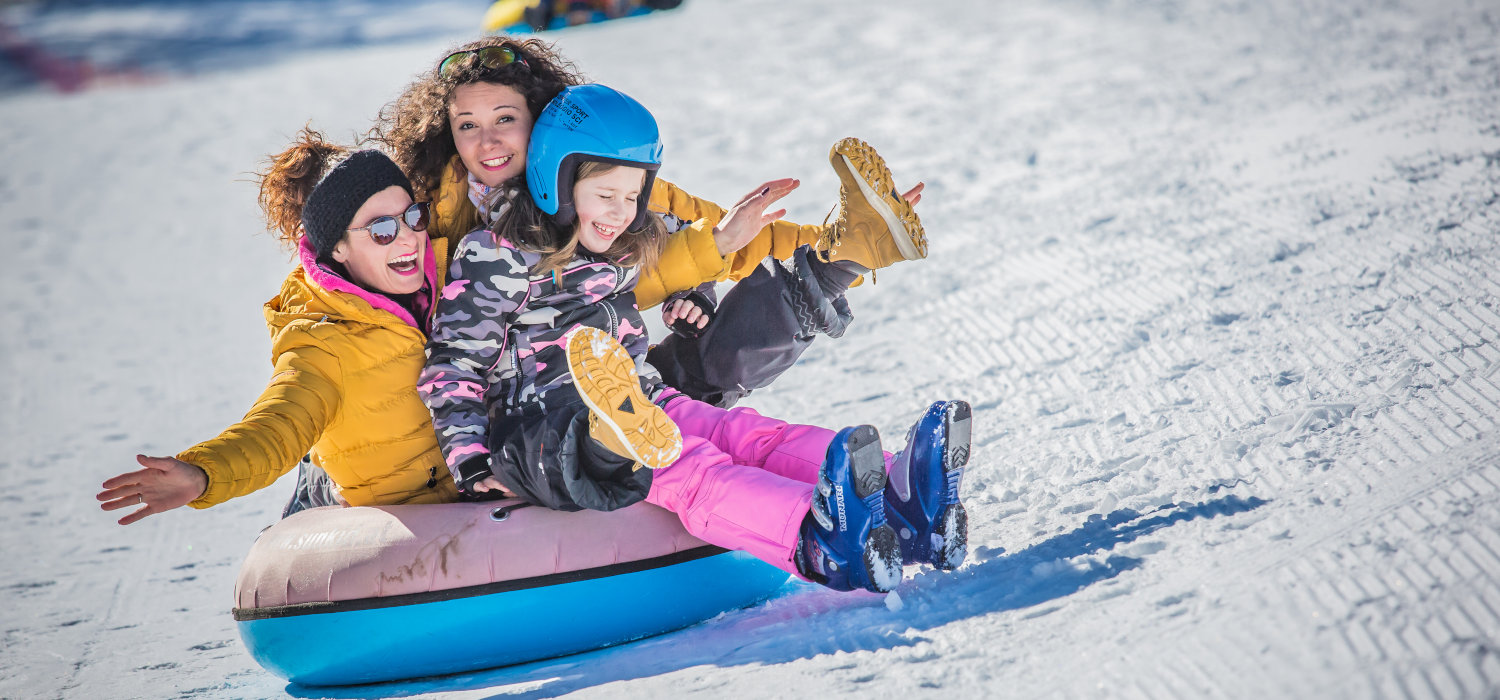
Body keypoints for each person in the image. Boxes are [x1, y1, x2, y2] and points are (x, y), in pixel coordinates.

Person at [419, 84, 971, 593]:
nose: (621, 211)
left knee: (745, 435)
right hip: (555, 430)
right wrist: (469, 460)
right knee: (689, 468)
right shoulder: (493, 256)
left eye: (633, 196)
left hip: (641, 399)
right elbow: (454, 365)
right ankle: (815, 537)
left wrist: (700, 294)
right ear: (557, 182)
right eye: (605, 194)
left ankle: (903, 500)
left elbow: (698, 247)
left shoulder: (626, 235)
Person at [372, 36, 929, 409]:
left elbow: (724, 232)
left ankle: (847, 256)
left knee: (704, 347)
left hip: (597, 373)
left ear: (542, 120)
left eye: (506, 120)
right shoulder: (429, 210)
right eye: (467, 125)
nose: (487, 141)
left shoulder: (604, 179)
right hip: (492, 405)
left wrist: (708, 284)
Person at [96, 134, 459, 523]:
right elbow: (278, 425)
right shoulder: (323, 342)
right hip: (421, 529)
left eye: (413, 216)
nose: (407, 236)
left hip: (494, 492)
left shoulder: (458, 273)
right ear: (337, 248)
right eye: (381, 229)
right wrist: (204, 473)